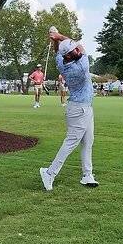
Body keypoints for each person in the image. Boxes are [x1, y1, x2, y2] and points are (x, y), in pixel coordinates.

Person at [39, 26, 98, 191]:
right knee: (71, 142)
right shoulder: (81, 67)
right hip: (79, 110)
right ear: (69, 55)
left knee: (88, 141)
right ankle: (50, 172)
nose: (77, 50)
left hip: (84, 108)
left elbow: (60, 51)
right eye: (73, 50)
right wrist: (58, 35)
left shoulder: (61, 61)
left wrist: (56, 39)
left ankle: (87, 175)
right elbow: (82, 47)